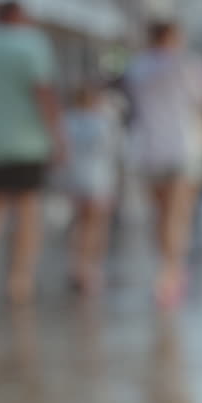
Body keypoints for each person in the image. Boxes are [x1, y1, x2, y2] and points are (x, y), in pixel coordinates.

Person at [0, 0, 64, 302]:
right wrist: (58, 137)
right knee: (28, 209)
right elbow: (43, 91)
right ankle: (20, 279)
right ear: (19, 16)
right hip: (28, 142)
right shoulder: (32, 44)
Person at [124, 21, 202, 307]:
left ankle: (166, 269)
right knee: (179, 215)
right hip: (183, 148)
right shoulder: (187, 64)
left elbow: (133, 108)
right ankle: (172, 272)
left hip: (148, 149)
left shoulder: (138, 67)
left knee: (160, 214)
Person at [61, 83, 120, 294]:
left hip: (75, 180)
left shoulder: (68, 121)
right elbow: (114, 151)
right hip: (99, 180)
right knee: (96, 227)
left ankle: (77, 265)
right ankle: (90, 268)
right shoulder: (103, 122)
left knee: (79, 224)